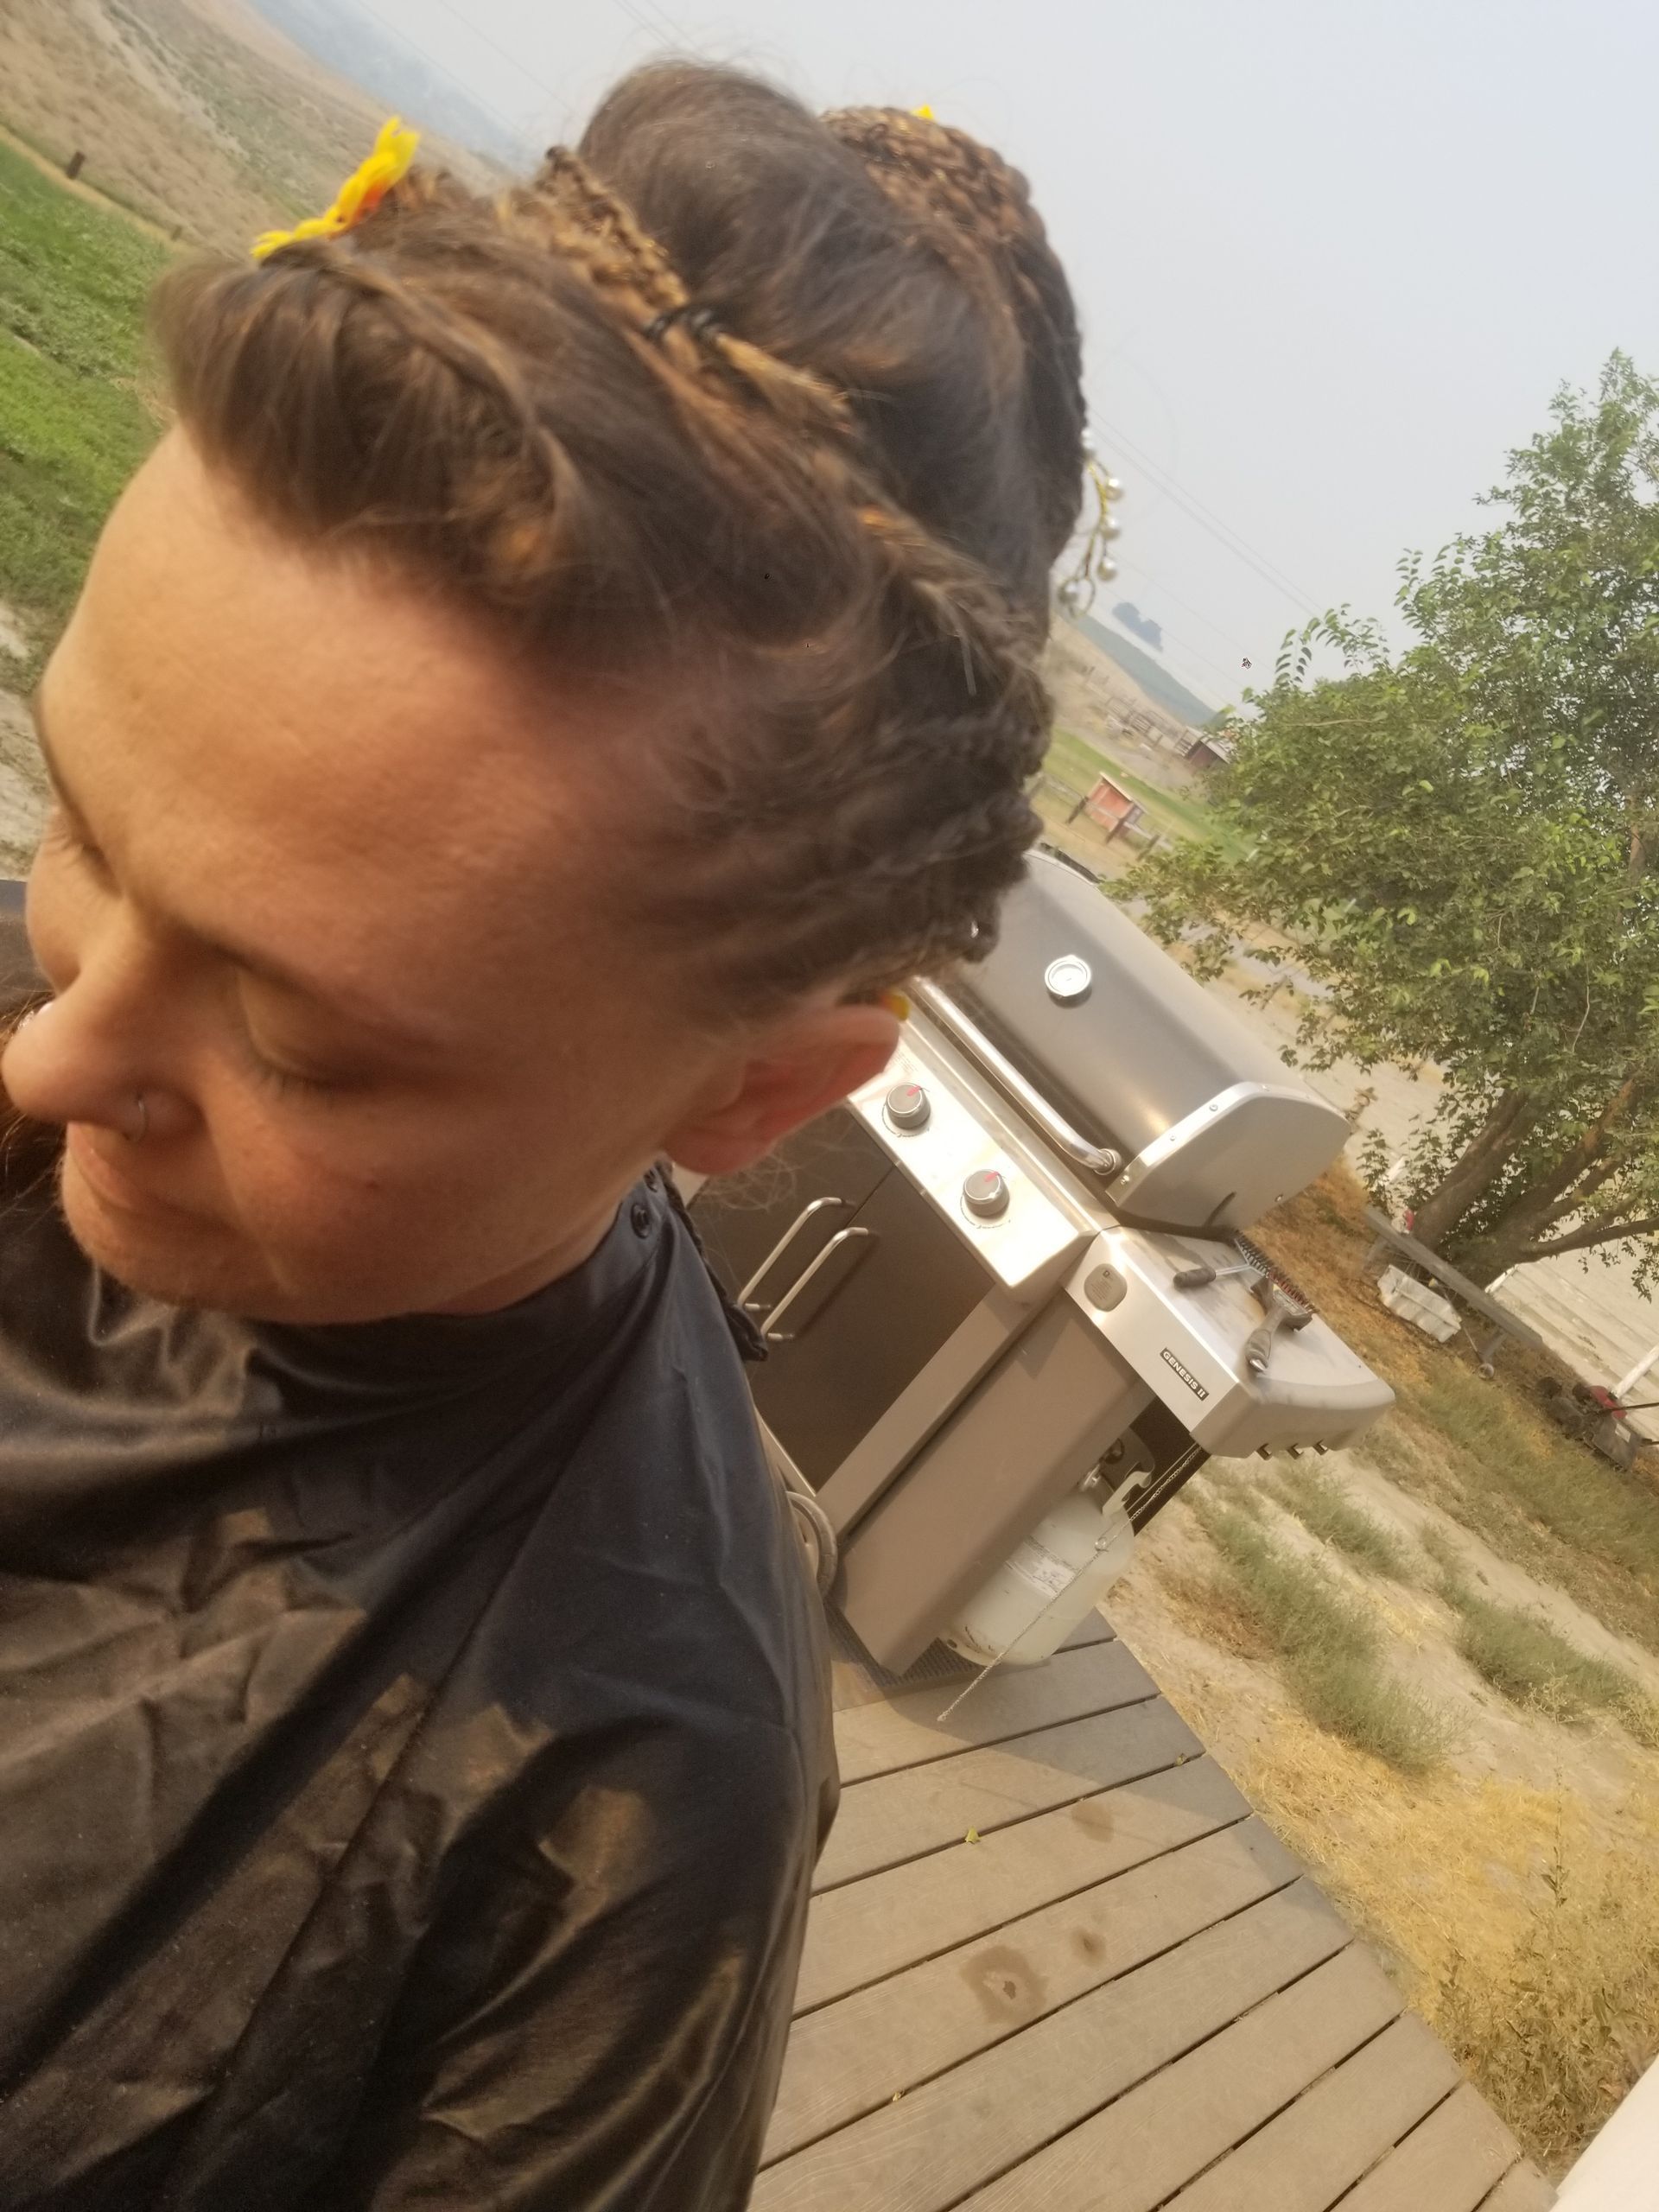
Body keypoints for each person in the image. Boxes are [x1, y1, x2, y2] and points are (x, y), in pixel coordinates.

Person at [0, 63, 1085, 2209]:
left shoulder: (622, 1808)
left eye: (302, 1047)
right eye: (87, 831)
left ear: (751, 1090)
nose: (51, 1065)